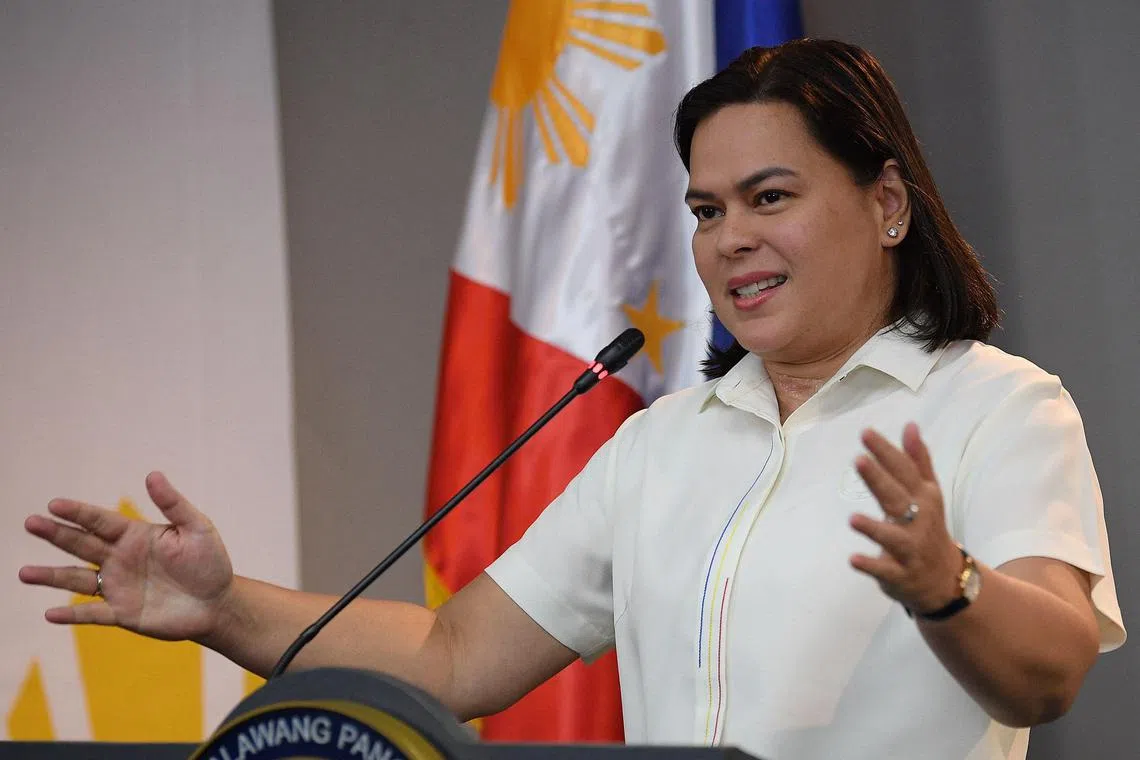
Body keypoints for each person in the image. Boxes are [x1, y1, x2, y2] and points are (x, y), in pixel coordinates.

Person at [20, 39, 1124, 760]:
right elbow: (455, 659)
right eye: (704, 210)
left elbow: (1052, 668)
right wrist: (222, 608)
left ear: (887, 206)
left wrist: (949, 585)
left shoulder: (998, 407)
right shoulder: (660, 447)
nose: (728, 238)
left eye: (768, 197)